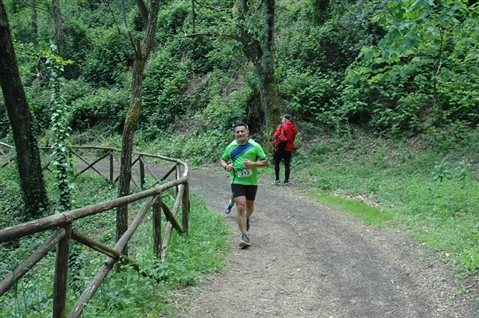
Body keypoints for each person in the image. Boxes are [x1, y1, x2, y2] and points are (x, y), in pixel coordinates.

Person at [221, 123, 269, 248]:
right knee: (241, 206)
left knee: (250, 207)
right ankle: (244, 236)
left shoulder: (255, 146)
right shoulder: (231, 147)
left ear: (247, 132)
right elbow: (222, 159)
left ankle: (247, 218)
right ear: (235, 134)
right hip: (237, 181)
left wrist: (253, 164)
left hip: (251, 182)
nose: (240, 134)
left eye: (242, 131)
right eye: (237, 132)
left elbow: (265, 162)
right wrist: (226, 166)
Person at [272, 114, 297, 186]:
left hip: (280, 148)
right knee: (287, 164)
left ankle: (277, 179)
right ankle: (286, 181)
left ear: (285, 119)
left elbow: (276, 135)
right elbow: (292, 137)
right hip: (289, 148)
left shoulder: (281, 126)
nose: (281, 120)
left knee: (277, 163)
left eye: (282, 118)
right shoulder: (293, 127)